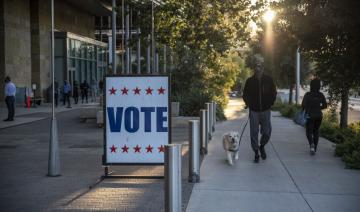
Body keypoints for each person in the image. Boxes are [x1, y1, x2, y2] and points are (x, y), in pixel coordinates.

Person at [243, 54, 277, 163]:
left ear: (262, 68)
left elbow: (273, 92)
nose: (258, 69)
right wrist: (248, 103)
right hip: (254, 111)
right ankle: (256, 152)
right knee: (254, 133)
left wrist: (271, 103)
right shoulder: (249, 81)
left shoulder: (269, 80)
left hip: (266, 110)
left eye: (260, 67)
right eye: (256, 67)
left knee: (267, 132)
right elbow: (245, 94)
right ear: (254, 69)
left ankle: (262, 145)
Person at [301, 78, 327, 155]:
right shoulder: (320, 95)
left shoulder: (308, 94)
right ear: (319, 86)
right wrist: (318, 107)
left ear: (311, 85)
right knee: (316, 131)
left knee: (309, 132)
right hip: (319, 116)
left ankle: (311, 144)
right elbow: (325, 105)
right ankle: (314, 148)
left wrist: (305, 110)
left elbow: (303, 105)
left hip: (310, 115)